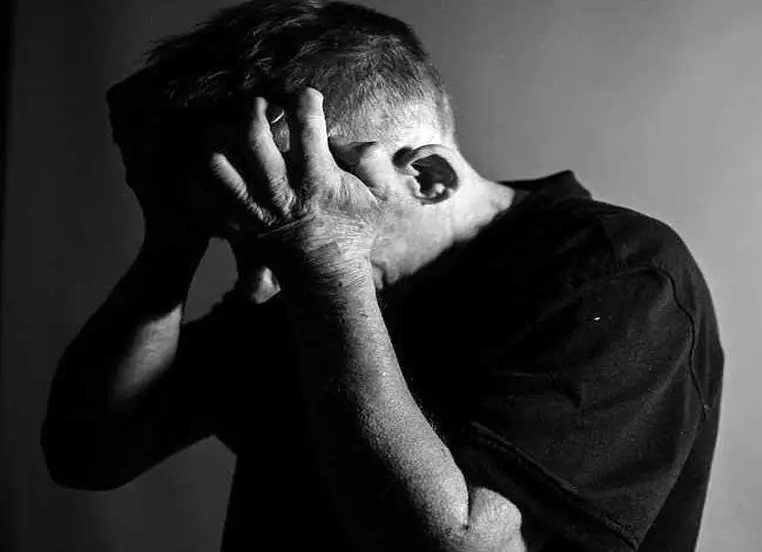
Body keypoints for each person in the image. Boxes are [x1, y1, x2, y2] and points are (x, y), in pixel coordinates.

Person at [41, 1, 724, 550]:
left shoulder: (618, 274)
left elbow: (464, 544)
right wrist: (173, 238)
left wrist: (325, 256)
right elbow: (89, 452)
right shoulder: (291, 264)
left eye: (295, 191)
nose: (259, 265)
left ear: (428, 176)